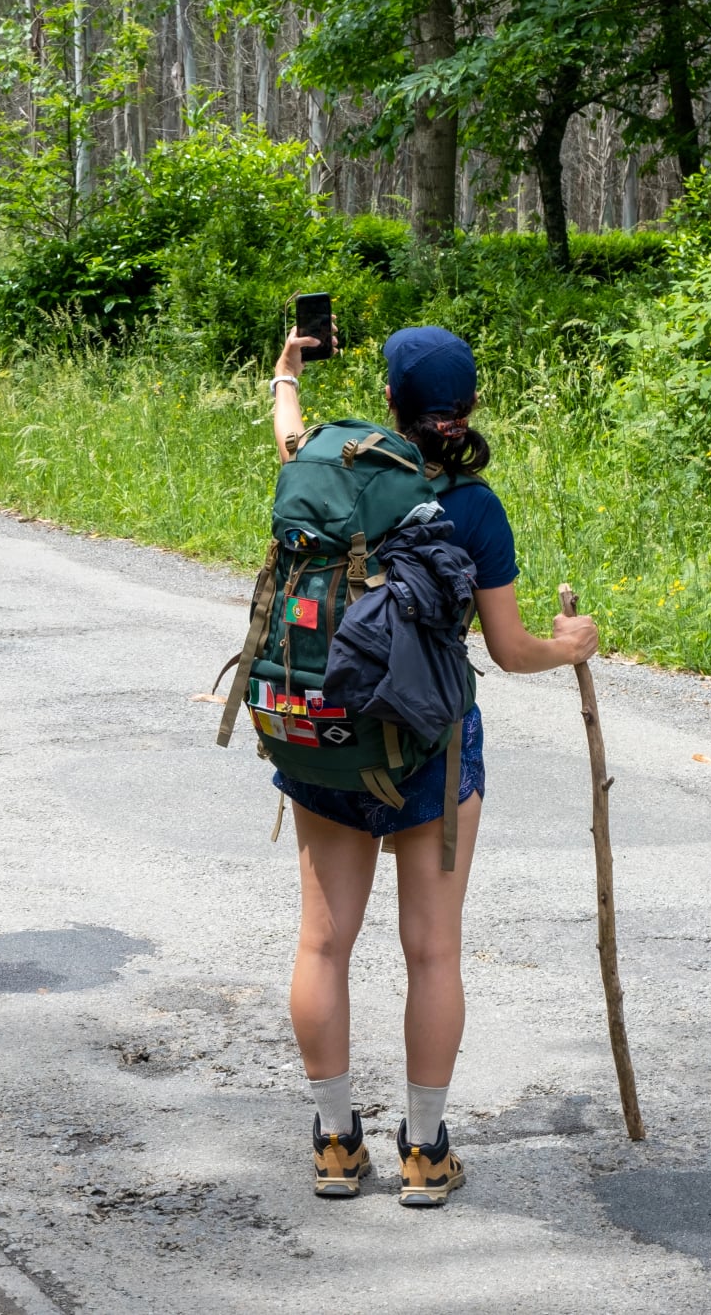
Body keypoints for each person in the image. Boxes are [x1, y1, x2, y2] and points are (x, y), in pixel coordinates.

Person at [266, 322, 598, 1206]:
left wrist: (285, 375)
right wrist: (573, 645)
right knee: (432, 950)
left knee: (323, 941)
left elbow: (290, 435)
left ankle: (337, 1142)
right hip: (430, 746)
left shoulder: (329, 469)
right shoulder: (475, 508)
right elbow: (512, 648)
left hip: (330, 735)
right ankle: (423, 1151)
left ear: (388, 403)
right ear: (469, 410)